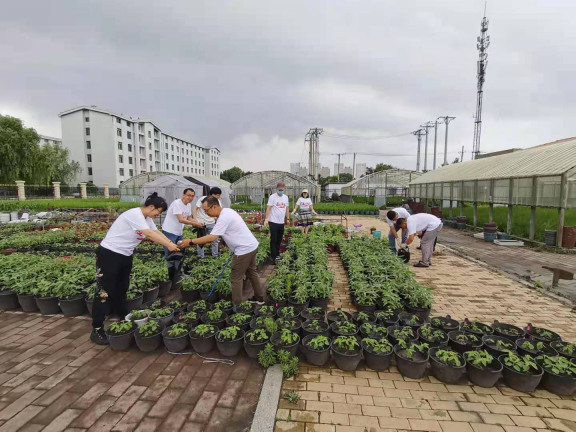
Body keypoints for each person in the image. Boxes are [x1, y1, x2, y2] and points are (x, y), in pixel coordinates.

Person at [91, 193, 181, 345]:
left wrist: (172, 244)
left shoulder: (147, 219)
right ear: (151, 207)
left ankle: (121, 316)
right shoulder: (134, 214)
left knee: (121, 287)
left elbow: (156, 232)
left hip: (125, 255)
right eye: (158, 212)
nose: (157, 215)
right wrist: (169, 245)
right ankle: (97, 329)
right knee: (104, 291)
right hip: (109, 254)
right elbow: (149, 234)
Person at [180, 197, 265, 305]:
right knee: (252, 273)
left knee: (236, 278)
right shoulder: (227, 212)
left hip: (243, 250)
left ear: (214, 207)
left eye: (206, 210)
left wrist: (191, 241)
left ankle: (237, 306)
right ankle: (259, 298)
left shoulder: (224, 217)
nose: (205, 213)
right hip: (251, 246)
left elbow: (212, 238)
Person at [161, 188, 203, 258]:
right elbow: (181, 220)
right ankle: (167, 264)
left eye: (192, 196)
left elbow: (187, 217)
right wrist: (195, 224)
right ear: (183, 195)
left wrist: (196, 221)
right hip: (169, 232)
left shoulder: (188, 205)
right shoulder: (177, 203)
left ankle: (176, 264)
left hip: (179, 232)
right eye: (188, 195)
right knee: (169, 252)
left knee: (178, 251)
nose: (190, 197)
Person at [193, 187, 222, 258]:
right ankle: (200, 257)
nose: (219, 196)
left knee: (214, 240)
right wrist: (195, 221)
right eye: (218, 195)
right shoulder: (203, 199)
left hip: (211, 223)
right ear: (213, 194)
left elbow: (219, 213)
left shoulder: (218, 202)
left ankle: (215, 256)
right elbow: (195, 209)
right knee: (200, 240)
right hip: (201, 223)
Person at [264, 182, 290, 263]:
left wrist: (288, 219)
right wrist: (266, 219)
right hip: (273, 221)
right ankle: (273, 257)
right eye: (279, 190)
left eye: (282, 190)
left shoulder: (285, 197)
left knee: (279, 239)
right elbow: (268, 208)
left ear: (284, 189)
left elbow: (287, 208)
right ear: (277, 189)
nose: (281, 191)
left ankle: (277, 254)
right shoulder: (272, 197)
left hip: (281, 222)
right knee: (273, 239)